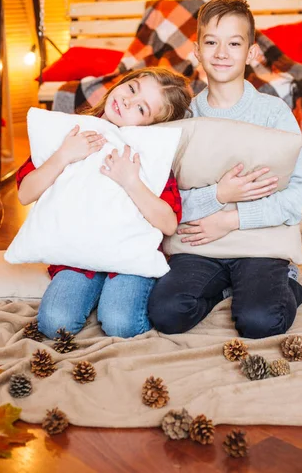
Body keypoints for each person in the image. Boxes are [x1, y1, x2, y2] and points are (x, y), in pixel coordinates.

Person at [148, 0, 302, 339]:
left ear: (251, 53)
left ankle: (280, 284)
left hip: (259, 243)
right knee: (166, 314)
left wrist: (234, 218)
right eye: (211, 42)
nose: (221, 52)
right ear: (196, 50)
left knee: (260, 321)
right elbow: (165, 199)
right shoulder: (185, 118)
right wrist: (218, 194)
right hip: (200, 244)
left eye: (234, 43)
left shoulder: (273, 114)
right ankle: (227, 288)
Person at [16, 67, 191, 339]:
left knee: (122, 323)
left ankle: (110, 298)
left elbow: (169, 224)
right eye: (132, 89)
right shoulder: (72, 132)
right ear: (122, 82)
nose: (128, 101)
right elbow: (25, 194)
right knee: (54, 322)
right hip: (75, 257)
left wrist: (131, 181)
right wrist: (63, 156)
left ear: (151, 126)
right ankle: (94, 293)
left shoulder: (148, 155)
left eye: (142, 109)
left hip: (127, 260)